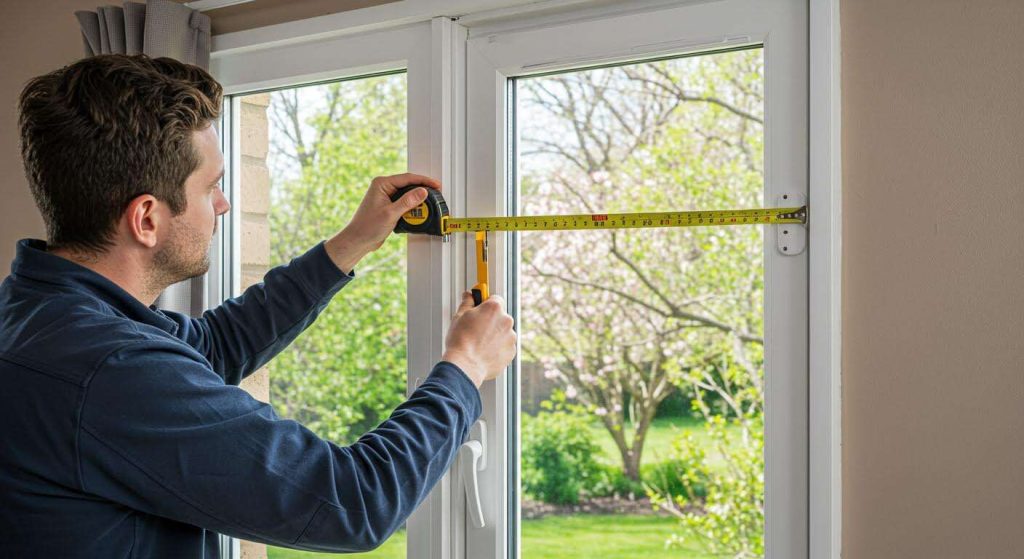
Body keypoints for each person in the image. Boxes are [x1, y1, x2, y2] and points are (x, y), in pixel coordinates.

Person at [0, 54, 516, 558]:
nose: (223, 203)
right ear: (147, 219)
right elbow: (352, 502)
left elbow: (214, 344)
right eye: (212, 186)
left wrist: (352, 243)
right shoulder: (107, 369)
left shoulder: (40, 312)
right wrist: (465, 366)